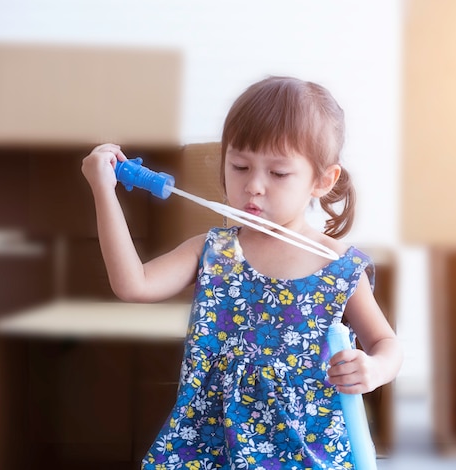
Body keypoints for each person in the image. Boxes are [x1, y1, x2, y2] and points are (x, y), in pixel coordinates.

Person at [82, 76, 403, 469]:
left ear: (322, 180)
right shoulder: (213, 249)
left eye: (278, 173)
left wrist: (374, 369)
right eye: (239, 166)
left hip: (302, 449)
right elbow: (133, 285)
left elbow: (386, 343)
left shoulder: (338, 267)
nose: (253, 186)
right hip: (208, 445)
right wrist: (103, 190)